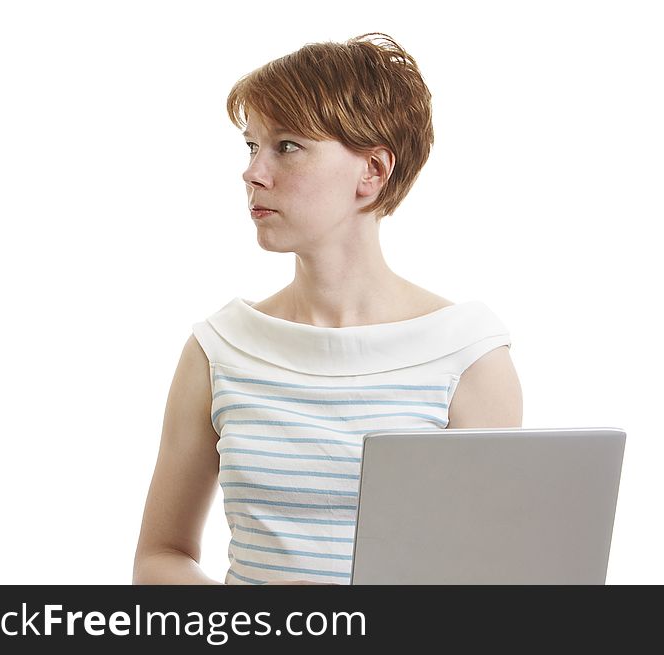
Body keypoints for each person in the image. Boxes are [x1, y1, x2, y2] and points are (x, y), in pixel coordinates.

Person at [132, 33, 522, 585]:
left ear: (373, 172)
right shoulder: (218, 349)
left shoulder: (467, 354)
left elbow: (495, 580)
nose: (253, 172)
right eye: (251, 145)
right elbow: (159, 557)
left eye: (286, 145)